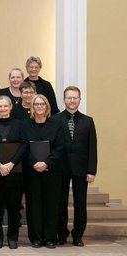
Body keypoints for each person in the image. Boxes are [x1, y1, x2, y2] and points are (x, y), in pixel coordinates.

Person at [20, 94, 67, 248]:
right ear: (32, 107)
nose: (39, 107)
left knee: (51, 204)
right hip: (32, 171)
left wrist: (46, 163)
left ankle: (50, 238)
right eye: (36, 104)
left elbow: (60, 147)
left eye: (42, 104)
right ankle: (36, 238)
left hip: (52, 171)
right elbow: (23, 148)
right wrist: (35, 163)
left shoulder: (56, 124)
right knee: (33, 205)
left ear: (47, 107)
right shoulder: (26, 125)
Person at [56, 86, 96, 247]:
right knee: (60, 203)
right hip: (60, 168)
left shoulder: (88, 121)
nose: (72, 101)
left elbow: (92, 147)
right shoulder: (55, 119)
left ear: (80, 99)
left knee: (80, 203)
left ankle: (78, 234)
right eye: (69, 97)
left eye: (75, 97)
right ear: (64, 99)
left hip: (81, 168)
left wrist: (91, 170)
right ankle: (61, 233)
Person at [0, 96, 25, 249]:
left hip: (15, 170)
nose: (2, 109)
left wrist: (10, 164)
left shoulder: (19, 124)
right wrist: (0, 165)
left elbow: (23, 145)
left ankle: (13, 237)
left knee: (14, 207)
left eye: (5, 106)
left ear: (10, 107)